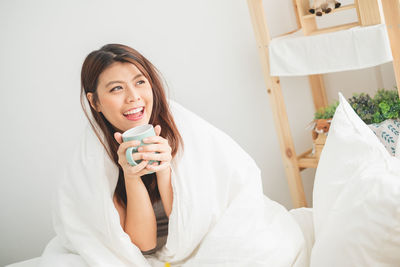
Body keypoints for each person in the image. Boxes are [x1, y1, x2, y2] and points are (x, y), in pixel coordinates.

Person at [80, 43, 183, 254]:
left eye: (140, 82)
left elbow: (193, 225)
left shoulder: (182, 128)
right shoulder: (95, 155)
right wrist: (131, 176)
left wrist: (164, 168)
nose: (133, 97)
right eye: (117, 88)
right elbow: (143, 245)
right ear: (94, 102)